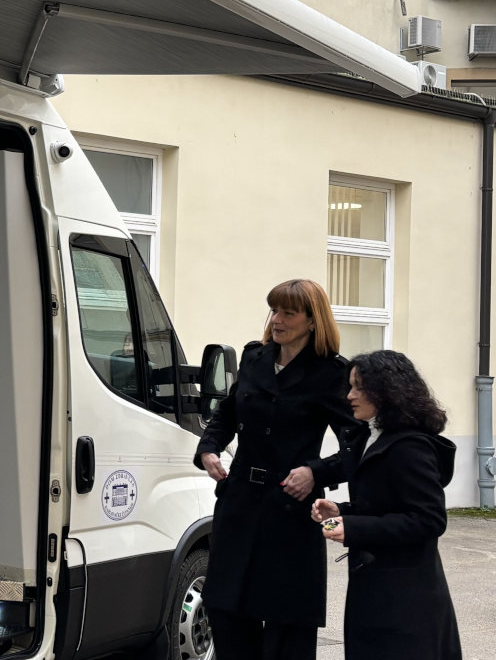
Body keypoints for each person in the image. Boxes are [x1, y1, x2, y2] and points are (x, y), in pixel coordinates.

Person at [193, 279, 361, 660]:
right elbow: (228, 412)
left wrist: (316, 473)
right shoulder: (255, 358)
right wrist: (208, 449)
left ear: (312, 320)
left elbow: (357, 445)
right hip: (239, 505)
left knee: (287, 629)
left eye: (288, 312)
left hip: (290, 512)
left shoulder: (331, 373)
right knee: (225, 610)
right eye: (274, 310)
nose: (277, 319)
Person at [311, 350, 461, 660]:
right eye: (350, 386)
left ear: (386, 390)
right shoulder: (374, 437)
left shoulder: (410, 446)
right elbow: (383, 505)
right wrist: (341, 512)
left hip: (407, 602)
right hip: (377, 592)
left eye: (359, 387)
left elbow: (429, 520)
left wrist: (354, 527)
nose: (349, 395)